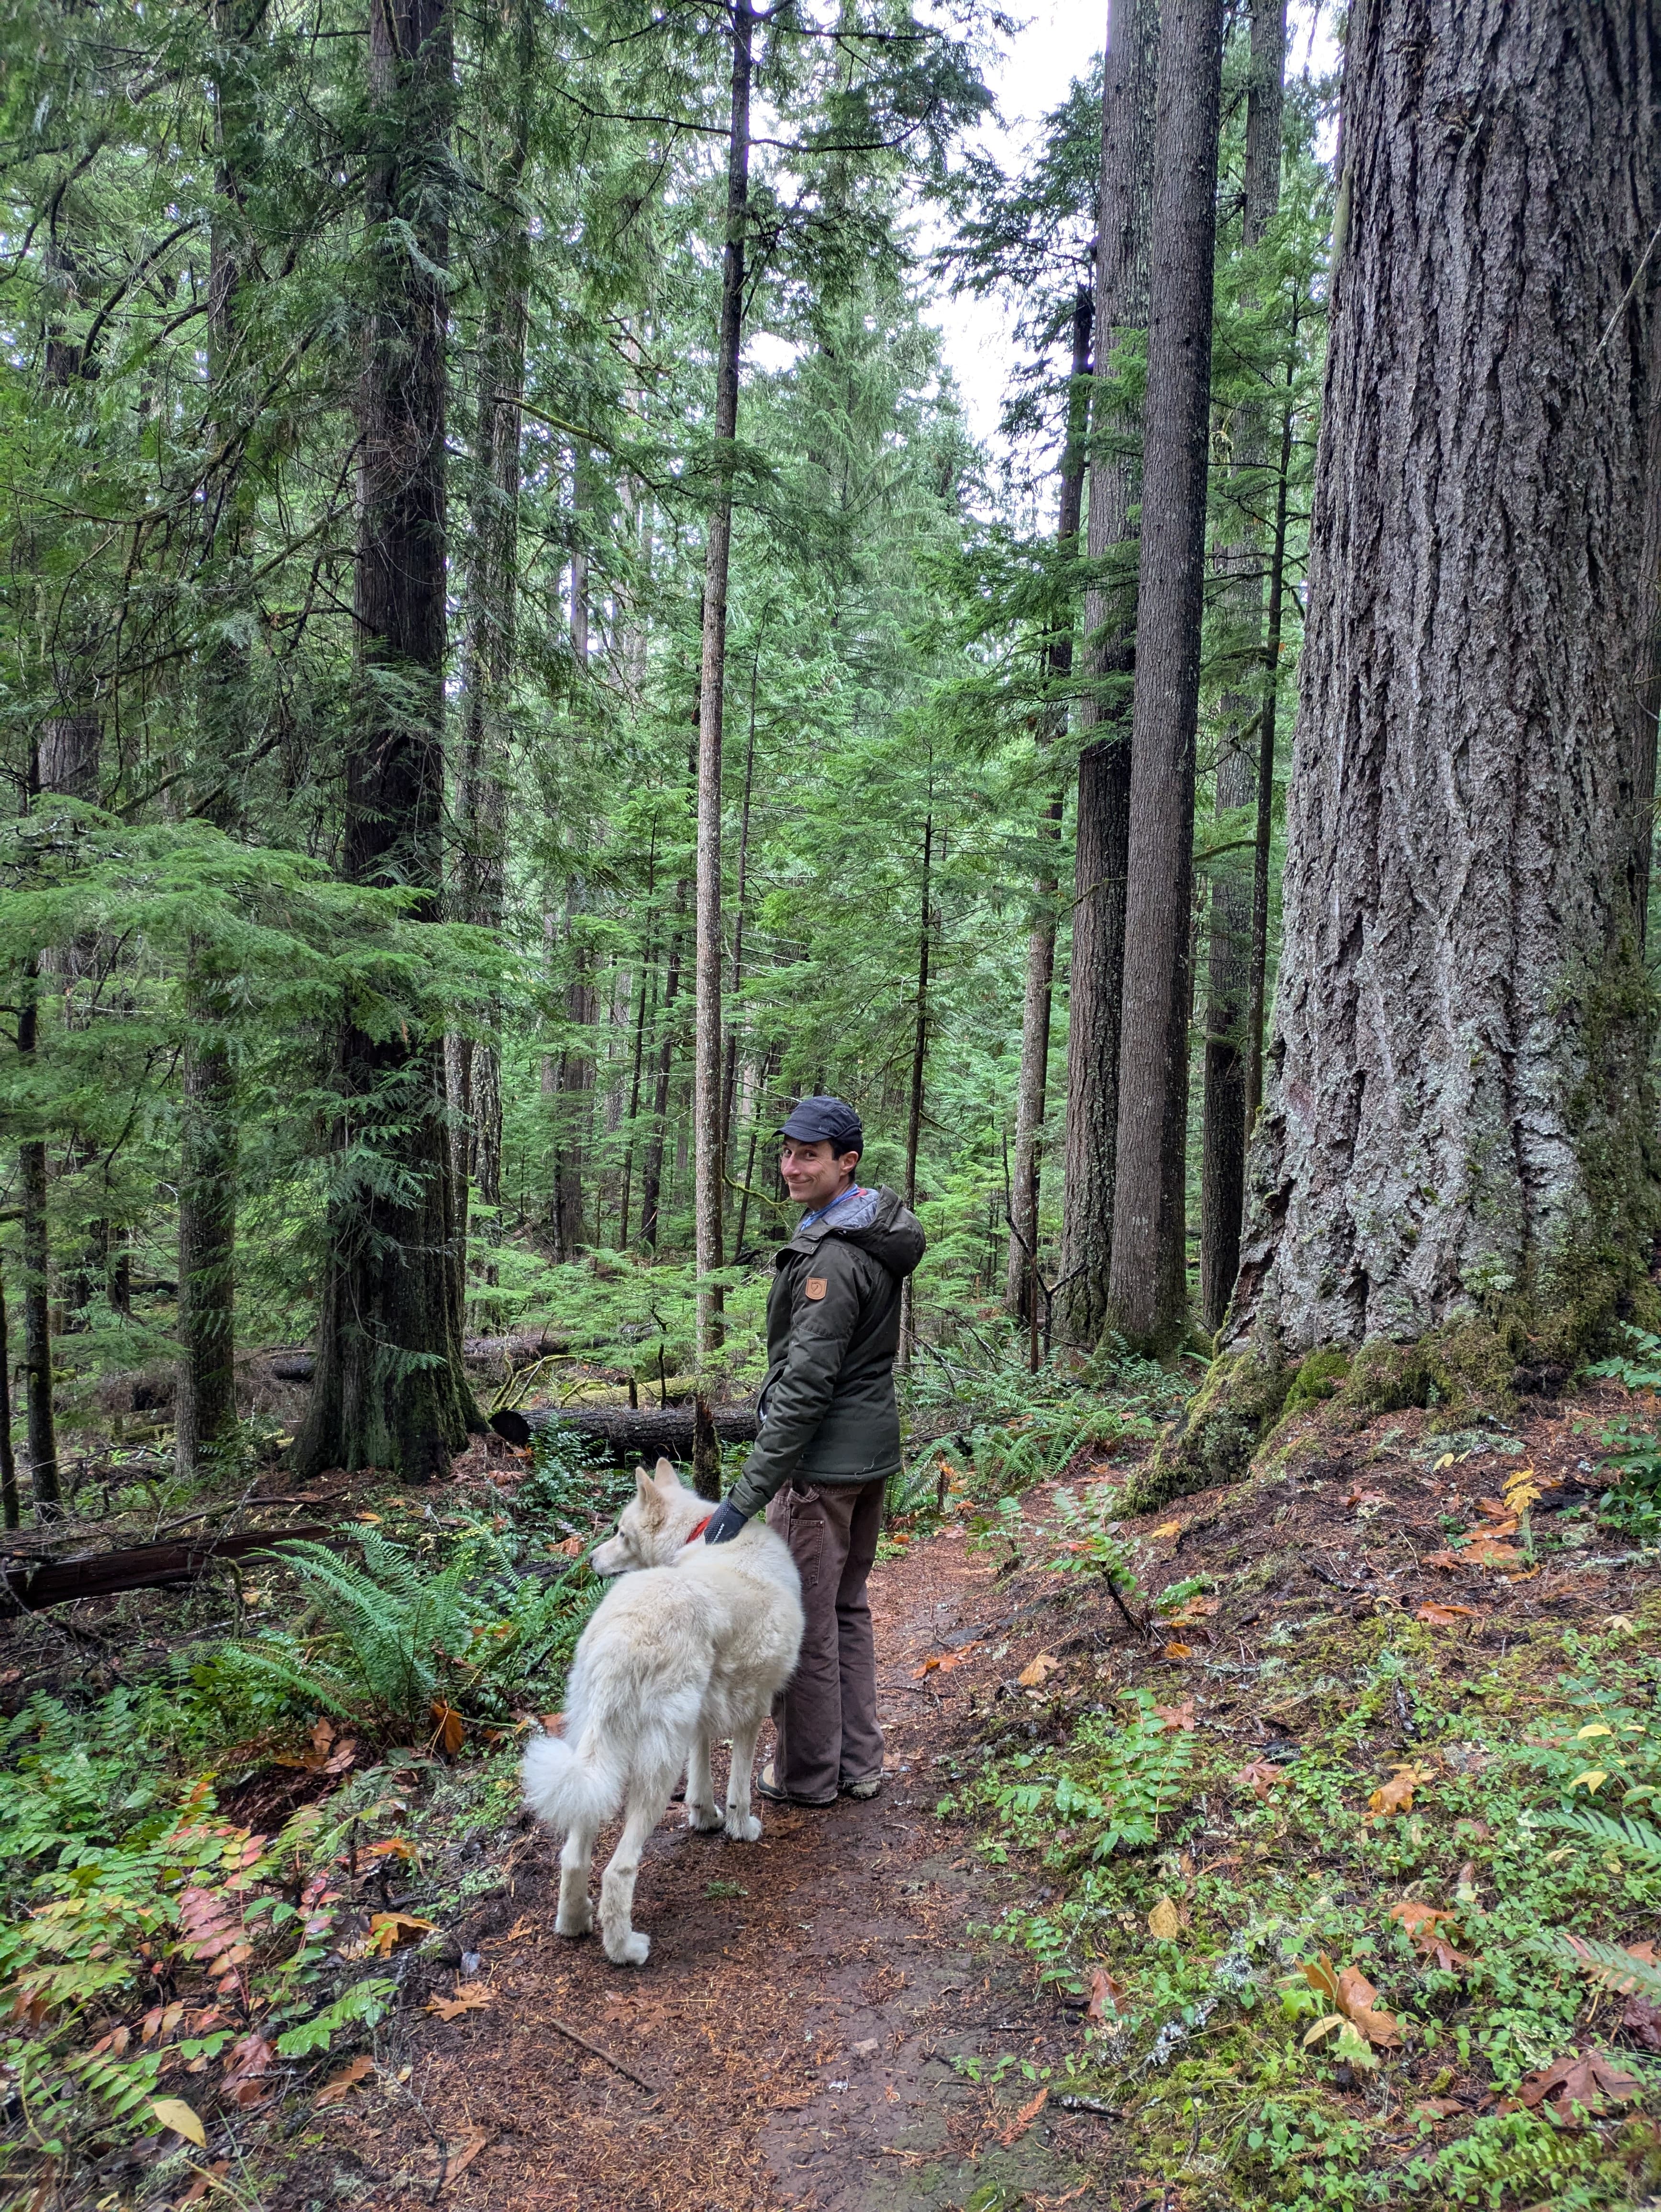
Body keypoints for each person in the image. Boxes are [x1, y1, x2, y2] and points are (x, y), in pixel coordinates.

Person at [700, 1095, 925, 1806]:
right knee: (845, 1609)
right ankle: (858, 1763)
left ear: (846, 1162)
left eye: (810, 1155)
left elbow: (805, 1388)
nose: (791, 1167)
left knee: (803, 1623)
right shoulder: (862, 1233)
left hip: (823, 1470)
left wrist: (745, 1497)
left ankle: (806, 1775)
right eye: (787, 1152)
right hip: (866, 1456)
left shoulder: (833, 1257)